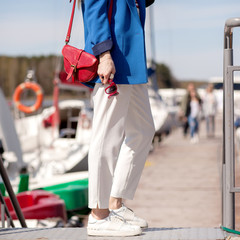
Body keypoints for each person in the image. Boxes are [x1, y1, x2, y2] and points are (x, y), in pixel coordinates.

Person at [80, 0, 155, 237]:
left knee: (143, 131)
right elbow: (94, 7)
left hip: (132, 57)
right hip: (113, 55)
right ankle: (98, 216)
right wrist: (103, 53)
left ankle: (115, 205)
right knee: (106, 135)